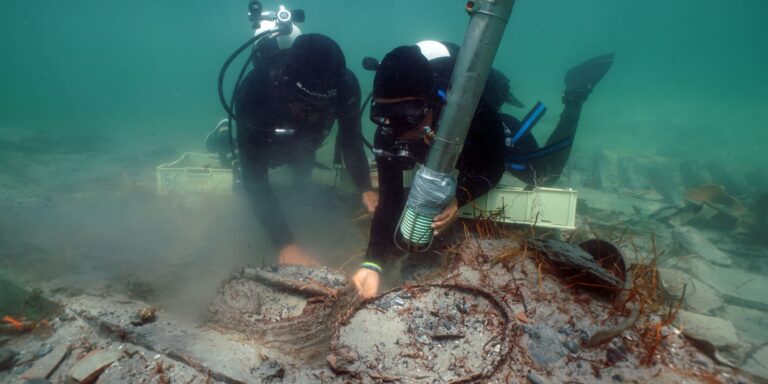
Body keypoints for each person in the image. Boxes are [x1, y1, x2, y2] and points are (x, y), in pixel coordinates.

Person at [351, 42, 613, 298]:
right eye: (385, 116)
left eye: (407, 117)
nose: (398, 131)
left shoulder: (472, 110)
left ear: (430, 103)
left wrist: (460, 198)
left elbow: (493, 166)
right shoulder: (388, 131)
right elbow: (390, 199)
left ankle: (576, 95)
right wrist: (371, 264)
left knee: (546, 172)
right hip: (448, 144)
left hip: (483, 139)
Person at [209, 33, 376, 266]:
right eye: (306, 105)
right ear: (286, 87)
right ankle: (223, 136)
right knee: (246, 175)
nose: (314, 114)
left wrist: (365, 189)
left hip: (305, 143)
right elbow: (254, 179)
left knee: (302, 175)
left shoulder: (345, 85)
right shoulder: (255, 90)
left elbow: (350, 140)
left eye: (324, 108)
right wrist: (286, 244)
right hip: (268, 135)